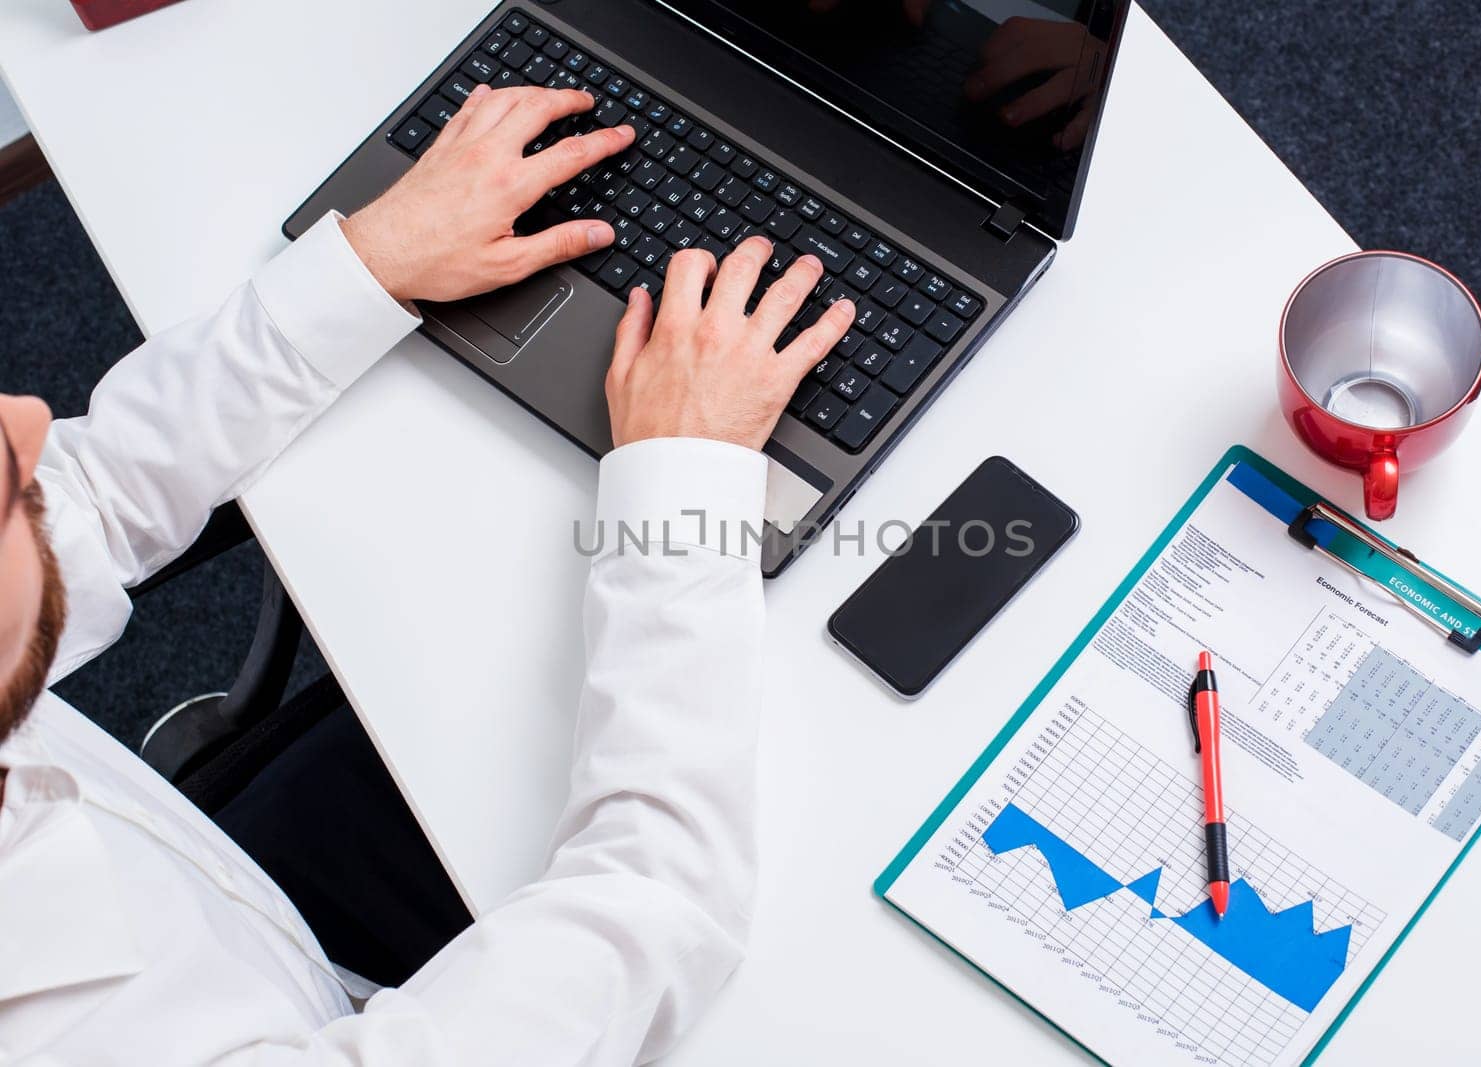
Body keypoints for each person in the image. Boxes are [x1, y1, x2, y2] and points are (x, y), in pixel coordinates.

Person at [0, 83, 854, 1064]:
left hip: (239, 911)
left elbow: (91, 493)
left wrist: (373, 261)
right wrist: (683, 483)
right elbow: (657, 901)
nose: (30, 422)